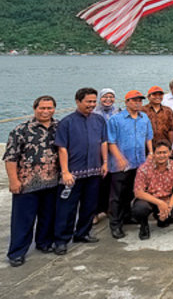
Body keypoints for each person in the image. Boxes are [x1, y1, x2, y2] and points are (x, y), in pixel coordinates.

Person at [4, 95, 60, 267]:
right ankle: (17, 252)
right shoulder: (21, 130)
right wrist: (13, 181)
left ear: (54, 109)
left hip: (52, 181)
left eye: (49, 108)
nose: (46, 111)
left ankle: (44, 243)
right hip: (27, 183)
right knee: (23, 220)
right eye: (42, 108)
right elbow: (10, 158)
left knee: (47, 216)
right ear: (35, 109)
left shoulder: (59, 127)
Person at [53, 88, 108, 255]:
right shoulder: (67, 122)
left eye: (93, 101)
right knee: (66, 208)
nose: (91, 105)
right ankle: (61, 240)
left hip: (94, 171)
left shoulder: (99, 120)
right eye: (88, 102)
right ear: (78, 101)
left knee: (89, 206)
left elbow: (103, 142)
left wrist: (105, 162)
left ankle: (82, 233)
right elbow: (62, 148)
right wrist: (65, 172)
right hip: (73, 174)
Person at [106, 90, 153, 239]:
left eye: (140, 100)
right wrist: (119, 158)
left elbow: (148, 137)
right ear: (126, 102)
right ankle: (115, 224)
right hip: (121, 164)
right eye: (134, 100)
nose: (137, 103)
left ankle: (126, 217)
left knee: (130, 193)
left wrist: (150, 153)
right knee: (117, 196)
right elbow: (111, 141)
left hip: (139, 162)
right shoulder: (116, 120)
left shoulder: (144, 118)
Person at [131, 141, 173, 240]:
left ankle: (162, 219)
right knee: (139, 209)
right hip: (149, 200)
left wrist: (168, 208)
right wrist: (160, 203)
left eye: (164, 152)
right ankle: (144, 226)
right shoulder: (144, 168)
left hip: (167, 199)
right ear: (154, 154)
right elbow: (138, 192)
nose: (162, 156)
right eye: (158, 153)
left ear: (170, 153)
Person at [93, 88, 119, 223]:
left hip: (114, 151)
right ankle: (96, 212)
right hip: (98, 151)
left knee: (112, 182)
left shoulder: (118, 112)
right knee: (98, 182)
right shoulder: (94, 113)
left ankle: (110, 209)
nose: (108, 99)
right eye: (105, 97)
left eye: (111, 96)